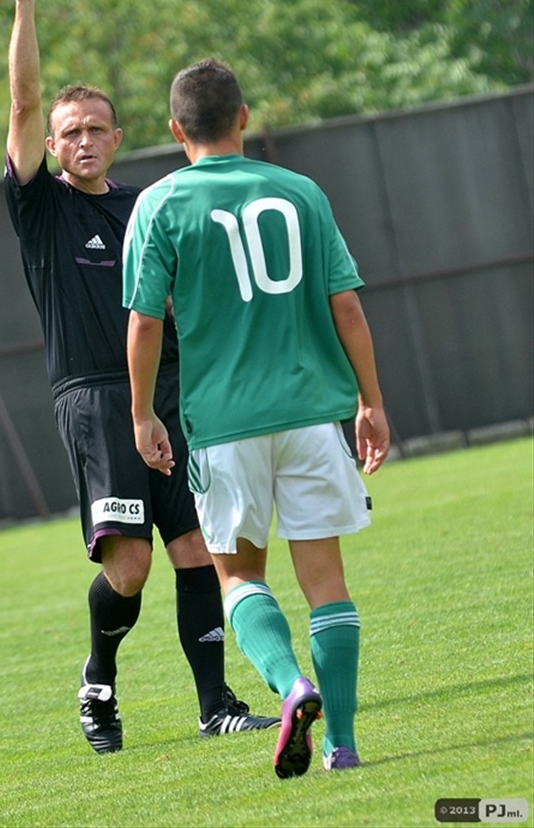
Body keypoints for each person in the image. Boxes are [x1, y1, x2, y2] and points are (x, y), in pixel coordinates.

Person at [0, 0, 279, 755]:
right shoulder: (41, 207)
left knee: (198, 548)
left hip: (175, 391)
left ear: (119, 138)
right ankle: (98, 682)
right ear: (50, 147)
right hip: (93, 399)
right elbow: (21, 99)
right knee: (131, 570)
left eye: (96, 128)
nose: (83, 140)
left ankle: (217, 702)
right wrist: (25, 8)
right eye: (69, 132)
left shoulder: (152, 205)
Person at [123, 58, 391, 778]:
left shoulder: (159, 204)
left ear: (176, 130)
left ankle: (289, 685)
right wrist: (370, 400)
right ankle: (342, 743)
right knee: (327, 581)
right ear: (244, 116)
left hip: (224, 424)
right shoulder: (302, 192)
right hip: (310, 416)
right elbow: (348, 306)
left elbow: (146, 323)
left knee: (239, 577)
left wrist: (144, 411)